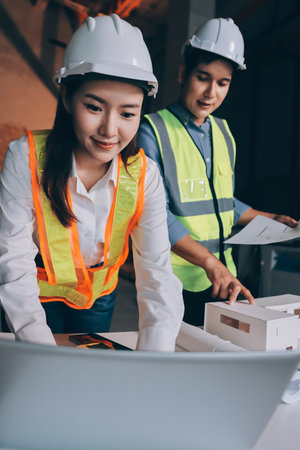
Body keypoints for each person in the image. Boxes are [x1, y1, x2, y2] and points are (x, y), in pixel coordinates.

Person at [0, 14, 184, 351]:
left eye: (128, 113)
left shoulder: (145, 177)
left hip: (98, 299)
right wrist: (41, 353)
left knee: (86, 375)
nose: (110, 130)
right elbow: (12, 259)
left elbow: (156, 273)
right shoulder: (24, 159)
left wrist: (156, 364)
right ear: (68, 98)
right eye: (95, 107)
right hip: (30, 297)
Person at [137, 17, 298, 326]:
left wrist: (269, 218)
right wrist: (210, 264)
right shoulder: (152, 131)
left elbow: (223, 202)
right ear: (184, 73)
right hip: (172, 280)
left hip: (221, 278)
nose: (211, 92)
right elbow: (154, 213)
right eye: (203, 77)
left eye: (222, 83)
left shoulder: (223, 134)